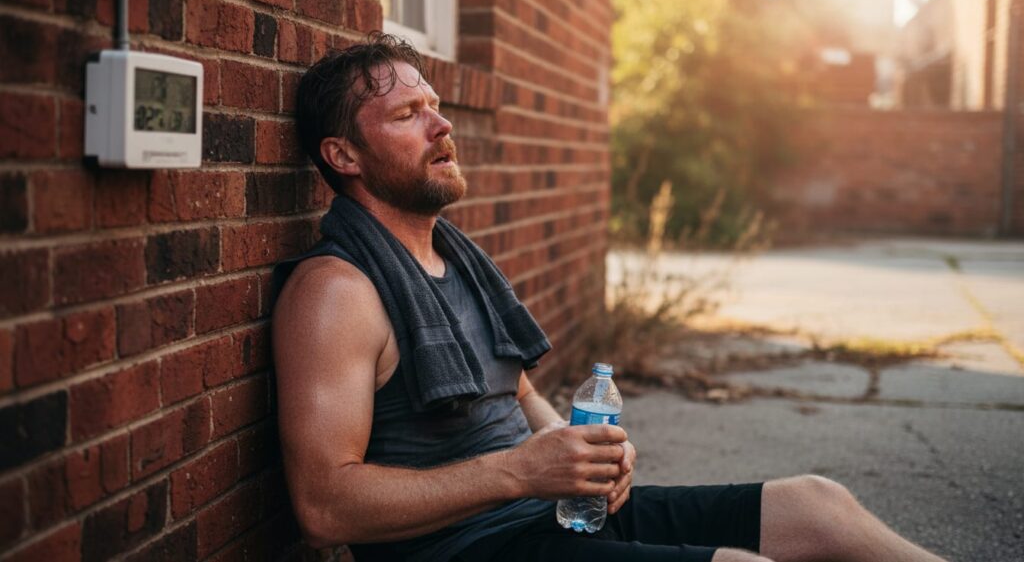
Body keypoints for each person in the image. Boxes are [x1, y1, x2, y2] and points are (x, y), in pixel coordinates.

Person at [271, 33, 947, 562]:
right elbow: (325, 504)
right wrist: (519, 472)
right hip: (472, 547)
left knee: (818, 506)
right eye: (408, 114)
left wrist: (586, 459)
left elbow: (518, 394)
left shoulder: (451, 258)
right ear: (345, 155)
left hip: (547, 516)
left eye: (436, 106)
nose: (441, 125)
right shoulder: (337, 291)